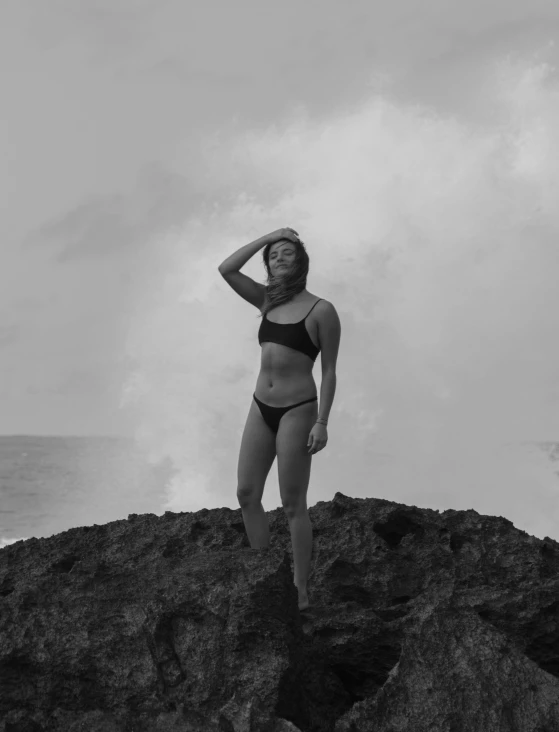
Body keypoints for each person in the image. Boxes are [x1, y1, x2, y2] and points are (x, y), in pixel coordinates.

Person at [218, 228, 341, 611]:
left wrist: (322, 422)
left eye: (287, 253)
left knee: (292, 504)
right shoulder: (267, 300)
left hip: (298, 409)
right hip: (260, 406)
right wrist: (270, 236)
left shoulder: (321, 310)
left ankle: (300, 590)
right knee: (246, 494)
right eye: (273, 256)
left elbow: (331, 371)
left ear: (301, 262)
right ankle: (264, 576)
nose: (279, 259)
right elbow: (227, 269)